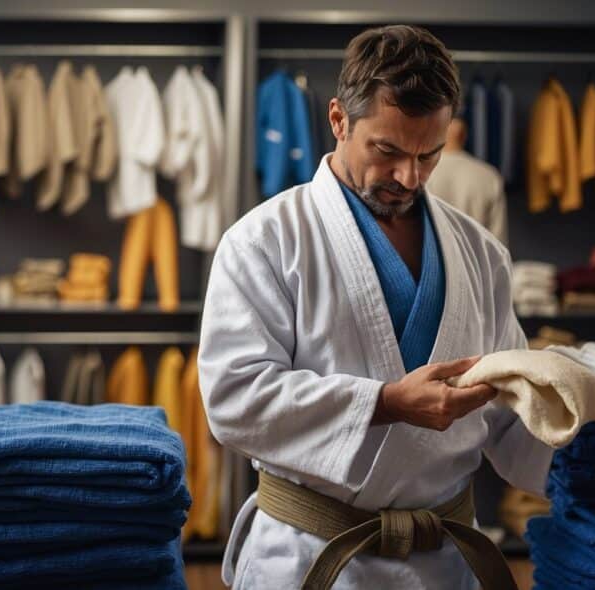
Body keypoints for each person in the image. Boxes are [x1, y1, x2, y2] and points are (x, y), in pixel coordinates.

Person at [198, 25, 551, 589]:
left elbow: (508, 415)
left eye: (428, 155)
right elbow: (234, 400)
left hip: (443, 561)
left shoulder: (481, 255)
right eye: (387, 151)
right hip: (311, 556)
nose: (409, 176)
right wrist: (385, 403)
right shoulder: (262, 241)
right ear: (339, 120)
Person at [426, 116, 509, 246]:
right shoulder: (489, 176)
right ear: (464, 135)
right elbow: (498, 242)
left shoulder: (419, 172)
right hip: (476, 262)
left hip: (429, 261)